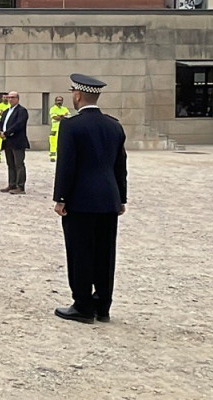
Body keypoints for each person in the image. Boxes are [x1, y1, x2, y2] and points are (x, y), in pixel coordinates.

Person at [53, 74, 128, 324]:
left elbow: (66, 166)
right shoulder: (114, 125)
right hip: (109, 199)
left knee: (80, 252)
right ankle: (103, 305)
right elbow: (120, 166)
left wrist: (60, 198)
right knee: (105, 253)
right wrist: (122, 197)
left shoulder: (71, 126)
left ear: (77, 95)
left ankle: (83, 304)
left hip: (81, 200)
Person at [0, 91, 29, 194]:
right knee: (10, 164)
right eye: (9, 97)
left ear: (17, 99)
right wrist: (0, 132)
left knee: (19, 164)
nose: (10, 99)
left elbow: (18, 124)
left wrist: (7, 133)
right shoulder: (6, 111)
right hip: (7, 142)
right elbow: (1, 122)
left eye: (12, 97)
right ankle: (12, 184)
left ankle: (20, 187)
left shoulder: (22, 111)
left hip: (17, 141)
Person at [48, 95, 70, 162]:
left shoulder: (65, 108)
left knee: (63, 143)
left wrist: (60, 116)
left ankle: (62, 156)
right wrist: (63, 116)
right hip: (55, 129)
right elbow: (55, 117)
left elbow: (68, 117)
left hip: (63, 129)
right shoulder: (53, 109)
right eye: (58, 100)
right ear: (55, 101)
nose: (59, 101)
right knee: (53, 143)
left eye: (60, 100)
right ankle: (52, 157)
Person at [0, 93, 10, 164]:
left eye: (6, 97)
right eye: (4, 97)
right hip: (1, 125)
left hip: (9, 125)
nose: (5, 99)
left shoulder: (10, 105)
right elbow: (0, 113)